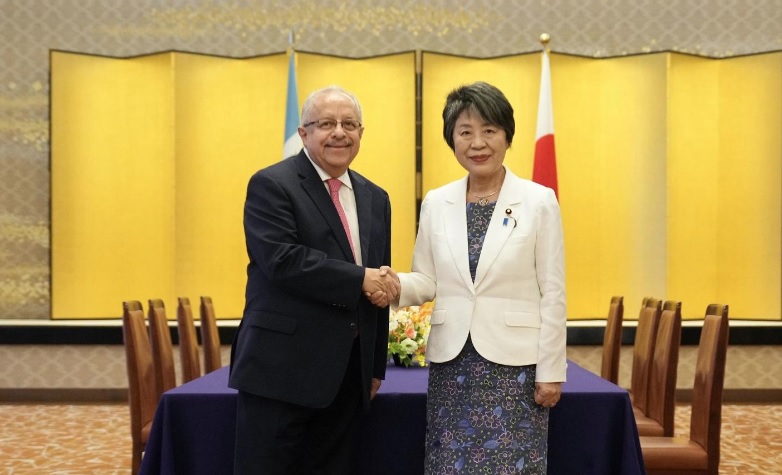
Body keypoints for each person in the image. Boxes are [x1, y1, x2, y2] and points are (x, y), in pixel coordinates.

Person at [384, 81, 567, 474]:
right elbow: (427, 279)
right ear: (452, 140)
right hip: (454, 365)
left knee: (512, 465)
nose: (478, 142)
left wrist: (551, 371)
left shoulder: (538, 201)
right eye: (465, 132)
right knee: (450, 463)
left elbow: (553, 291)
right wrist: (393, 284)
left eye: (489, 130)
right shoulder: (436, 201)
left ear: (506, 136)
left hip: (516, 367)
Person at [228, 85, 399, 475]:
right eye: (326, 123)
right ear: (304, 133)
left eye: (349, 124)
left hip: (346, 378)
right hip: (280, 371)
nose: (339, 132)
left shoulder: (377, 197)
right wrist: (361, 278)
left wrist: (374, 367)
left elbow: (378, 283)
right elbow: (283, 261)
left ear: (360, 133)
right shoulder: (272, 185)